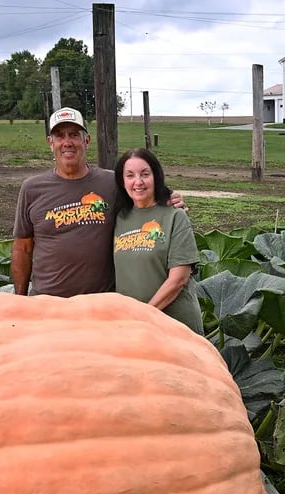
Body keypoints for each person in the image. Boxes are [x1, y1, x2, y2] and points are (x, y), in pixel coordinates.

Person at [11, 106, 186, 298]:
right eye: (60, 136)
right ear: (50, 143)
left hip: (101, 302)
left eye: (74, 135)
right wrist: (20, 298)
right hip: (48, 301)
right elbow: (23, 247)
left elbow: (146, 197)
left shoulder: (112, 182)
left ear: (86, 141)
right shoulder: (32, 189)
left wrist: (170, 200)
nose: (67, 142)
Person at [112, 148, 203, 334]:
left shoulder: (175, 216)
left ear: (156, 176)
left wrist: (145, 315)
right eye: (130, 175)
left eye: (145, 174)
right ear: (122, 181)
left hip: (175, 324)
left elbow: (178, 279)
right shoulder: (119, 218)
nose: (138, 182)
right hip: (133, 326)